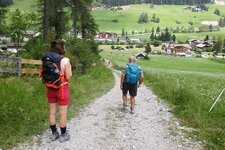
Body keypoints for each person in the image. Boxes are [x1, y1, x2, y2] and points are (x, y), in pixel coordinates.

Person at [44, 40, 72, 142]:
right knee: (62, 113)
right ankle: (63, 135)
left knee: (52, 112)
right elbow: (68, 77)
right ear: (62, 48)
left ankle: (54, 133)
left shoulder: (47, 59)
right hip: (62, 89)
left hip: (50, 88)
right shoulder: (65, 60)